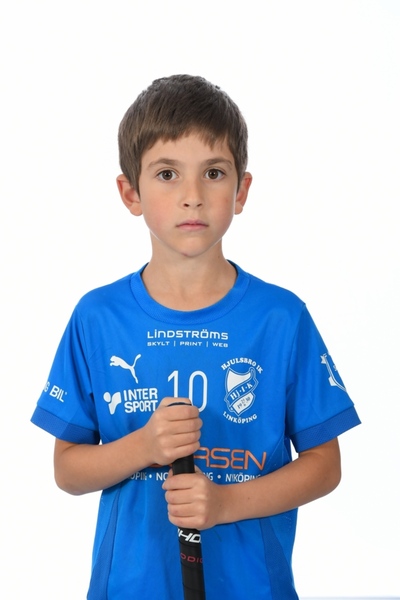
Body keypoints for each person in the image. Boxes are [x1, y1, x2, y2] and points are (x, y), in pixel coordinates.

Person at [31, 74, 361, 600]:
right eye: (167, 174)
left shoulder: (281, 318)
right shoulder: (98, 317)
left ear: (241, 190)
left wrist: (225, 504)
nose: (192, 197)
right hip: (129, 588)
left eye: (213, 172)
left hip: (254, 587)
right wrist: (144, 445)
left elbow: (325, 467)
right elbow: (68, 470)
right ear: (131, 193)